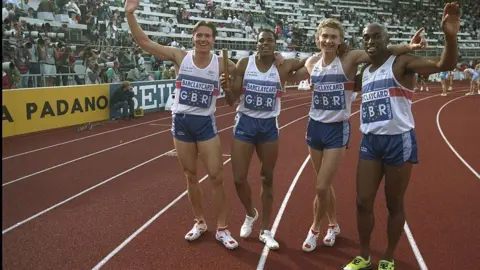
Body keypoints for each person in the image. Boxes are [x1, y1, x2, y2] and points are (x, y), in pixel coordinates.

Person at [287, 19, 426, 252]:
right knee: (324, 183)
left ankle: (314, 229)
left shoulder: (349, 59)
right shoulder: (311, 62)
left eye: (333, 36)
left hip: (337, 128)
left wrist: (408, 48)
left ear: (341, 40)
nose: (329, 40)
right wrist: (280, 60)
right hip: (314, 127)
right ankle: (333, 225)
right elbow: (291, 74)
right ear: (317, 38)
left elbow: (380, 51)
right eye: (325, 36)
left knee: (321, 187)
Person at [343, 2, 460, 269]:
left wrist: (450, 37)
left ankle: (388, 256)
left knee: (394, 203)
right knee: (362, 202)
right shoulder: (366, 73)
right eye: (366, 38)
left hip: (399, 141)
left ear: (387, 40)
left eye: (376, 36)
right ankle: (363, 255)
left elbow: (445, 63)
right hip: (370, 142)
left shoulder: (402, 64)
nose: (370, 41)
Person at [125, 0, 239, 249]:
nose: (203, 39)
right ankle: (199, 222)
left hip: (205, 124)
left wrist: (274, 60)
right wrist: (129, 14)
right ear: (193, 36)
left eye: (207, 36)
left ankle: (222, 228)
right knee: (190, 176)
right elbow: (145, 43)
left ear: (214, 40)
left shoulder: (223, 64)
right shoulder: (180, 57)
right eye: (199, 35)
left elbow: (237, 88)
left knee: (217, 176)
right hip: (181, 122)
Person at [220, 29, 309, 250]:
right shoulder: (244, 64)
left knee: (267, 177)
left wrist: (284, 57)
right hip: (245, 123)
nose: (265, 44)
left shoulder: (283, 65)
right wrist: (226, 89)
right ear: (256, 43)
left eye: (270, 40)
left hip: (269, 125)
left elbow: (311, 61)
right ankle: (251, 213)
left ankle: (266, 229)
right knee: (239, 178)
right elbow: (232, 101)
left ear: (275, 44)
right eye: (261, 40)